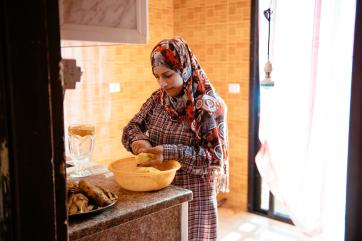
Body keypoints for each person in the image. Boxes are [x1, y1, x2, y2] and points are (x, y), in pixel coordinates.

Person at [122, 36, 229, 241]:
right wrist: (139, 142)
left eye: (168, 75)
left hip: (194, 198)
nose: (162, 83)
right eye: (157, 76)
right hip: (160, 195)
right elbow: (131, 127)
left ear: (184, 67)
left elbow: (212, 158)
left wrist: (169, 152)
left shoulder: (206, 105)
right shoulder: (158, 100)